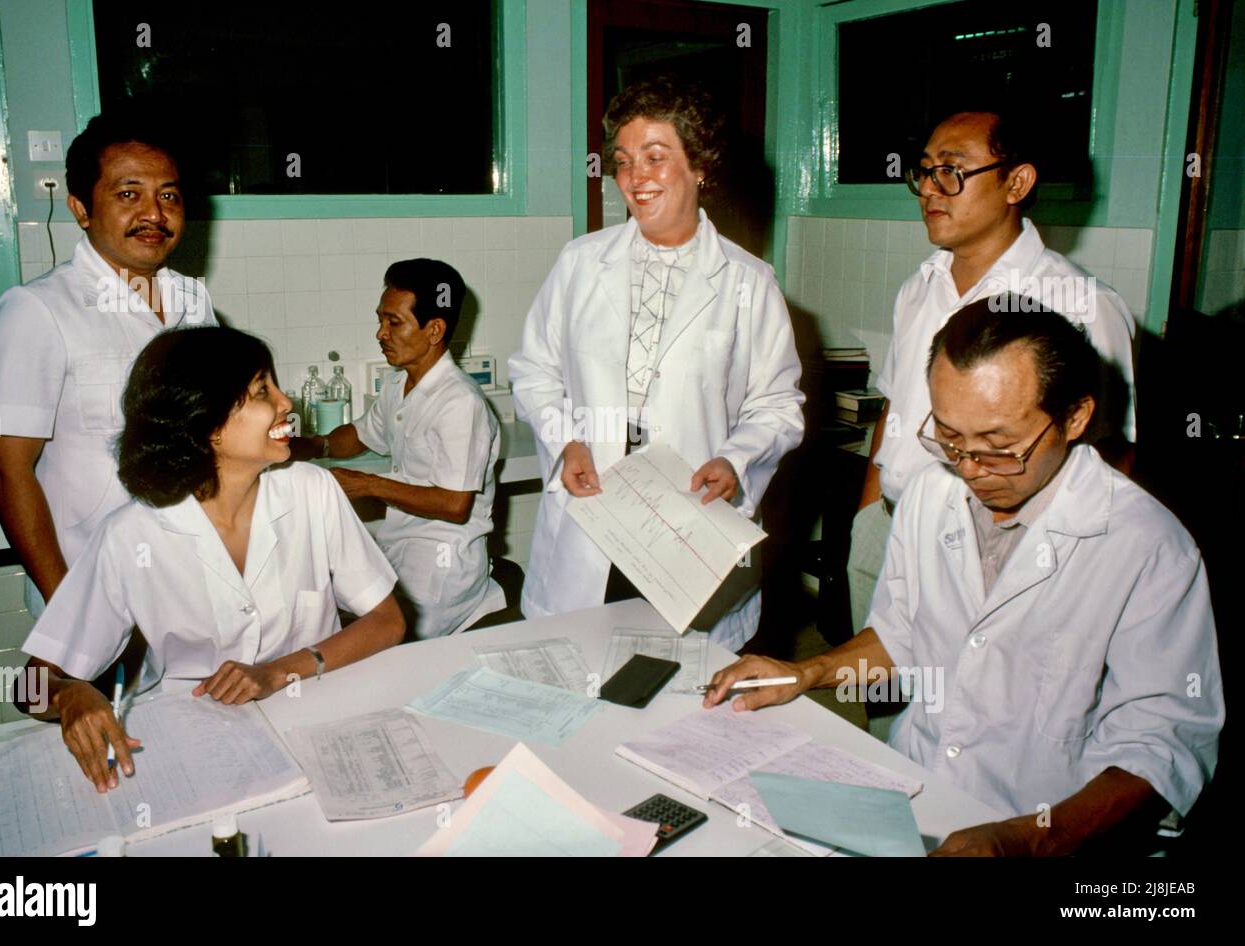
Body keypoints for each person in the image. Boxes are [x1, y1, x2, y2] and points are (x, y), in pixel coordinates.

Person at [705, 300, 1223, 856]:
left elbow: (1162, 748)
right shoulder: (932, 493)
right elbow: (900, 635)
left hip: (1048, 833)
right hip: (921, 799)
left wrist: (1026, 841)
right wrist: (807, 673)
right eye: (950, 438)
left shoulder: (1147, 546)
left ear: (1075, 418)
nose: (970, 469)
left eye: (1000, 447)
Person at [17, 327, 405, 793]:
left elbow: (388, 621)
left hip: (321, 719)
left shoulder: (311, 490)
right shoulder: (131, 535)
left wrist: (279, 670)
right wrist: (69, 693)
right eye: (263, 391)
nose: (287, 403)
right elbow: (29, 687)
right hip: (198, 743)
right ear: (208, 427)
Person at [508, 76, 804, 652]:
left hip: (688, 517)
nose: (635, 177)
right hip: (593, 507)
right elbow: (534, 369)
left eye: (656, 158)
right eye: (623, 161)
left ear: (701, 168)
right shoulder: (580, 262)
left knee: (681, 687)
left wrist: (737, 460)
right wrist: (566, 439)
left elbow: (778, 404)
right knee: (581, 670)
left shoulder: (748, 281)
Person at [848, 109, 1138, 636]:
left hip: (993, 553)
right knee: (883, 708)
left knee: (979, 712)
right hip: (888, 529)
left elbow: (1112, 454)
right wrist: (869, 515)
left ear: (1017, 182)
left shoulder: (1080, 303)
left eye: (952, 170)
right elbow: (896, 406)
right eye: (924, 170)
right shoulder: (919, 287)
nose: (930, 189)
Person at [0, 113, 217, 618]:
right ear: (81, 209)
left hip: (195, 581)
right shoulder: (36, 311)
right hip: (94, 589)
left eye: (168, 195)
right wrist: (67, 611)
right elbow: (4, 470)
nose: (154, 213)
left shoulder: (195, 302)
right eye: (129, 194)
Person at [294, 259, 503, 638]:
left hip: (443, 559)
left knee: (373, 640)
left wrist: (369, 485)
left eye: (394, 322)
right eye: (381, 320)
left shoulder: (461, 403)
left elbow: (454, 506)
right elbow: (357, 435)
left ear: (434, 329)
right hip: (399, 543)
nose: (380, 333)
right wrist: (308, 445)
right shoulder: (398, 386)